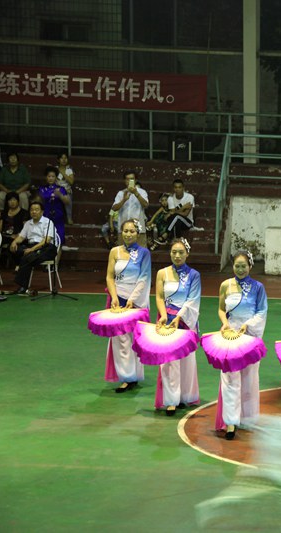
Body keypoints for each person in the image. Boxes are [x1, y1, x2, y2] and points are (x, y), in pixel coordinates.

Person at [215, 250, 268, 440]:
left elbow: (262, 311)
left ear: (250, 266)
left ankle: (247, 417)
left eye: (243, 266)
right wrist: (225, 323)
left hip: (250, 336)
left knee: (249, 377)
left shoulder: (258, 287)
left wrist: (248, 325)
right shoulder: (226, 285)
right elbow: (221, 309)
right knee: (229, 377)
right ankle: (230, 421)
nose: (240, 269)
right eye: (237, 266)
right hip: (230, 337)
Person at [154, 238, 201, 415]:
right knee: (168, 361)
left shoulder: (194, 275)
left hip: (185, 322)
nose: (177, 256)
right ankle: (171, 400)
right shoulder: (162, 273)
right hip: (167, 321)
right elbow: (159, 297)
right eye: (174, 252)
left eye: (181, 252)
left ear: (187, 254)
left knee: (187, 361)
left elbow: (193, 299)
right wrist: (164, 315)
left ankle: (185, 396)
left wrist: (179, 316)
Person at [104, 219, 151, 393]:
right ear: (121, 232)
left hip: (135, 301)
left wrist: (132, 299)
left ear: (137, 234)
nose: (128, 234)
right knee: (120, 340)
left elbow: (144, 278)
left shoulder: (144, 253)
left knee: (134, 340)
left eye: (132, 231)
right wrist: (114, 297)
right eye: (125, 231)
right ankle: (126, 377)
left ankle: (134, 375)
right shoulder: (114, 251)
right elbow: (110, 277)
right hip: (118, 301)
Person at [8, 200, 58, 296]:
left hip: (46, 248)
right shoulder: (28, 223)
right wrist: (14, 242)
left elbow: (46, 240)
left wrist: (32, 249)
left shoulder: (47, 222)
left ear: (42, 212)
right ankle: (21, 271)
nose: (34, 212)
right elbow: (21, 237)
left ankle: (22, 286)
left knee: (28, 257)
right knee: (14, 249)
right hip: (31, 247)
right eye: (31, 210)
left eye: (36, 209)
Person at [111, 170, 149, 247]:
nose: (129, 181)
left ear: (136, 180)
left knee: (140, 252)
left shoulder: (142, 192)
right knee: (123, 253)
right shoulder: (121, 193)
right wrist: (124, 199)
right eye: (127, 179)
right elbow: (114, 208)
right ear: (124, 181)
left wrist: (136, 193)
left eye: (131, 179)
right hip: (123, 230)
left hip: (138, 230)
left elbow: (146, 205)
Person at [38, 166, 70, 250]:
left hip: (58, 216)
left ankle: (58, 257)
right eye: (49, 176)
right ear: (46, 177)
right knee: (45, 239)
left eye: (53, 176)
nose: (51, 178)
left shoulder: (61, 189)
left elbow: (67, 202)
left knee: (60, 239)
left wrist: (60, 195)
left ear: (56, 178)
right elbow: (38, 202)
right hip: (45, 216)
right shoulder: (41, 189)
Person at [56, 152, 76, 224]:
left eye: (65, 158)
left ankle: (69, 218)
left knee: (68, 197)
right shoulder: (55, 169)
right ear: (58, 160)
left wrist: (63, 173)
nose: (64, 160)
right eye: (62, 158)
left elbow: (71, 182)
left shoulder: (69, 170)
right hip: (57, 190)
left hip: (67, 191)